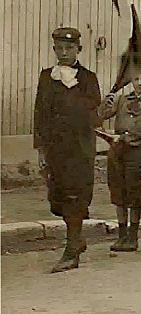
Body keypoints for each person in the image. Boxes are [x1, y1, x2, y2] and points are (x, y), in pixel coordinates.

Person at [34, 27, 102, 273]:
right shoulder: (46, 77)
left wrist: (72, 88)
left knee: (75, 197)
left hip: (79, 149)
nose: (64, 53)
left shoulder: (87, 79)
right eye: (59, 48)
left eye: (69, 48)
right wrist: (40, 149)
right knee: (60, 199)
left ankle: (72, 249)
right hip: (55, 150)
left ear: (79, 50)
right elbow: (40, 114)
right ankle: (77, 239)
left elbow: (94, 114)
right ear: (54, 49)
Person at [100, 68, 141, 252]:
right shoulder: (122, 100)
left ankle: (133, 237)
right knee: (118, 191)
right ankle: (121, 236)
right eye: (136, 79)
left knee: (134, 193)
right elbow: (102, 115)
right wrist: (105, 102)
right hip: (118, 150)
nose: (139, 83)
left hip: (140, 151)